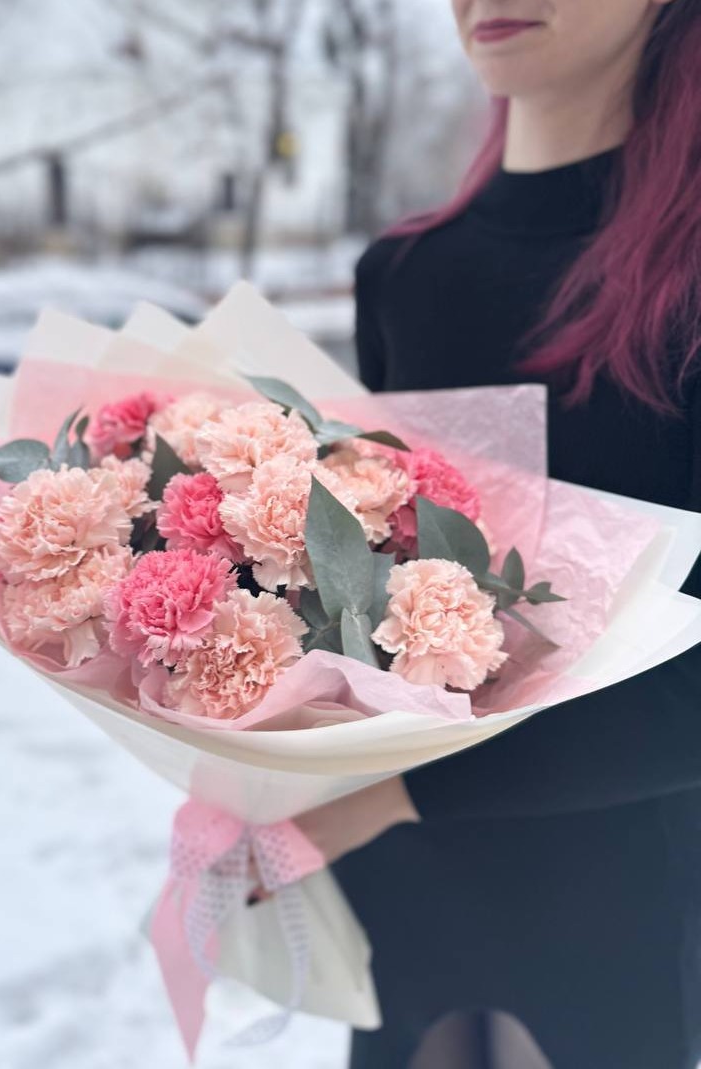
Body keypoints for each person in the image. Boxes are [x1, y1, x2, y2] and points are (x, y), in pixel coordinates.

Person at [294, 1, 701, 1066]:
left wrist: (394, 793)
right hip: (407, 885)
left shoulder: (686, 282)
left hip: (628, 898)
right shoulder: (405, 275)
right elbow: (372, 590)